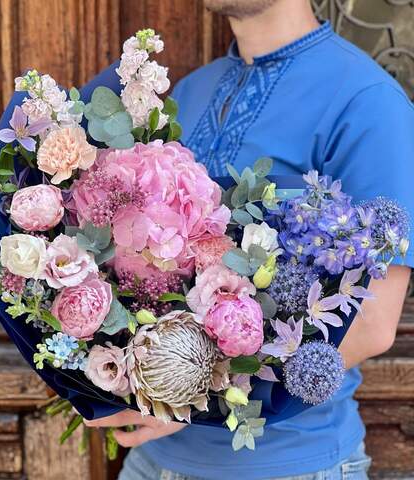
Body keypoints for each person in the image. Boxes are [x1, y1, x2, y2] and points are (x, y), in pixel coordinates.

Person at [85, 1, 414, 479]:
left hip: (288, 464)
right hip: (151, 464)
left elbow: (373, 323)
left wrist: (184, 397)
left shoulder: (368, 101)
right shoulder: (191, 90)